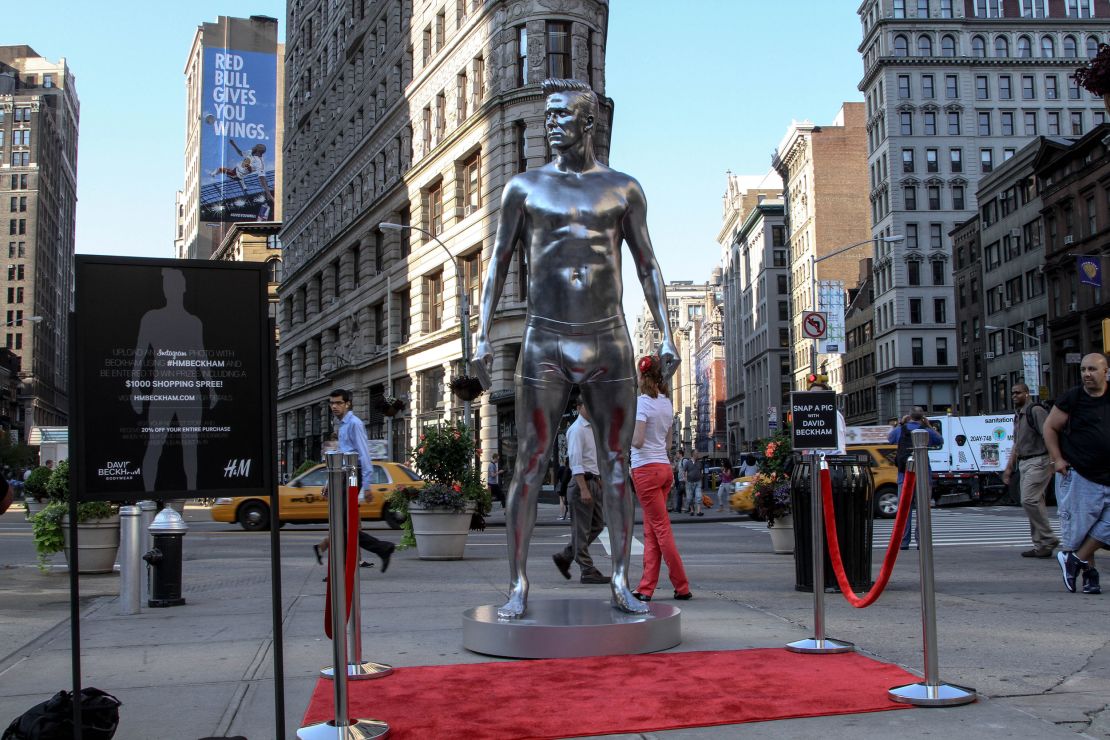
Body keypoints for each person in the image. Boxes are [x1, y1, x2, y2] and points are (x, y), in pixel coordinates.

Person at [473, 78, 678, 618]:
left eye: (562, 114)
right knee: (529, 463)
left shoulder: (623, 189)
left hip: (607, 337)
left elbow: (647, 265)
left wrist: (668, 334)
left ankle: (618, 579)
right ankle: (517, 584)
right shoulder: (524, 188)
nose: (551, 123)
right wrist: (480, 331)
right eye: (548, 114)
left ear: (589, 122)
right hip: (545, 337)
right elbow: (497, 262)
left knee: (616, 463)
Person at [1043, 353, 1110, 595]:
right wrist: (1057, 458)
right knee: (1083, 528)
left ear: (1106, 372)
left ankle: (1074, 560)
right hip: (1081, 473)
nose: (1086, 374)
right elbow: (1049, 427)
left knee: (1102, 527)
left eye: (1092, 369)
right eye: (1083, 369)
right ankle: (1090, 577)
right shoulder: (1073, 398)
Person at [629, 355, 691, 602]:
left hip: (645, 469)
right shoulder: (666, 403)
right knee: (652, 530)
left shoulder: (641, 404)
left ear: (642, 376)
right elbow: (667, 443)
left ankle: (682, 585)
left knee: (660, 530)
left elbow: (638, 440)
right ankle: (646, 587)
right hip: (664, 468)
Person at [312, 390, 395, 573]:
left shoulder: (355, 424)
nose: (334, 406)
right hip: (343, 474)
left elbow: (364, 454)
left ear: (348, 404)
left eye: (339, 403)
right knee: (341, 526)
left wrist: (366, 486)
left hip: (352, 473)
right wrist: (329, 483)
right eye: (332, 403)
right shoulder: (342, 426)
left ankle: (345, 568)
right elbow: (340, 456)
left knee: (341, 526)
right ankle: (378, 551)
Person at [552, 399, 611, 584]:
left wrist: (598, 479)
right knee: (581, 530)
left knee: (597, 525)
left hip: (592, 480)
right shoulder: (577, 429)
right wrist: (584, 488)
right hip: (581, 484)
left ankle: (566, 556)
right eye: (587, 405)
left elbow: (592, 457)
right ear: (578, 408)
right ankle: (587, 569)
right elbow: (576, 461)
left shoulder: (592, 428)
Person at [1001, 383, 1058, 559]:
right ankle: (1041, 545)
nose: (1014, 396)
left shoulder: (1036, 411)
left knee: (1028, 500)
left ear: (1027, 393)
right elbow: (1016, 444)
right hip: (1025, 462)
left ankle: (1048, 537)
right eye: (1012, 393)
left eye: (1018, 393)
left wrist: (1054, 460)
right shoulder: (1018, 416)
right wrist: (1009, 468)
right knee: (1035, 502)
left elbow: (1049, 434)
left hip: (1039, 460)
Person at [888, 407, 942, 550]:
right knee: (922, 509)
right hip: (923, 474)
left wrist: (900, 423)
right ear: (922, 417)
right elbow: (940, 440)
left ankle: (904, 542)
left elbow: (890, 439)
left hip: (904, 474)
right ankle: (921, 541)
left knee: (904, 509)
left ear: (909, 416)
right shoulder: (926, 431)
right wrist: (928, 425)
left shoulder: (901, 429)